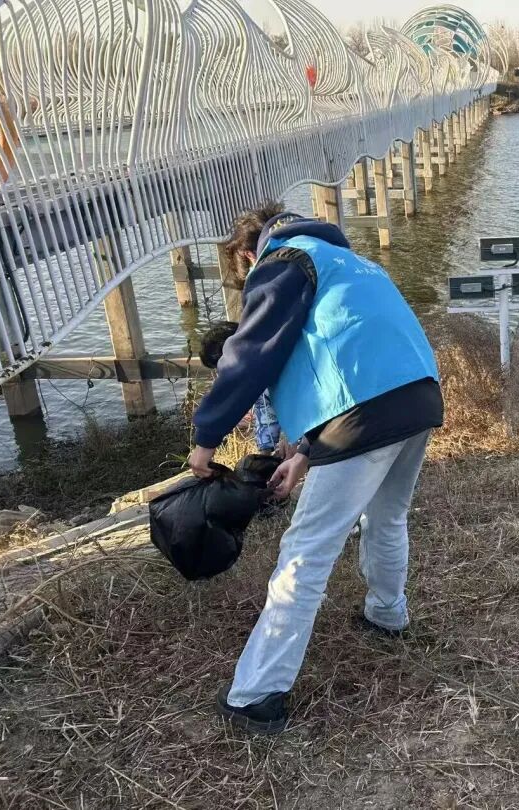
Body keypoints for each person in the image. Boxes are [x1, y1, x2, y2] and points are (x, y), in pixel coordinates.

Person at [187, 202, 443, 734]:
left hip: (366, 410)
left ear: (249, 254)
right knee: (387, 517)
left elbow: (251, 354)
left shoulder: (283, 262)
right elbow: (339, 352)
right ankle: (387, 614)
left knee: (306, 551)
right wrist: (305, 452)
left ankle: (256, 695)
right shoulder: (349, 261)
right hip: (418, 396)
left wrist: (206, 437)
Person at [199, 320, 291, 457]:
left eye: (222, 367)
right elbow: (264, 412)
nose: (223, 374)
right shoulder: (253, 375)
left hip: (304, 435)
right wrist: (264, 451)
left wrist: (288, 436)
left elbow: (295, 400)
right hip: (282, 441)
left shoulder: (276, 363)